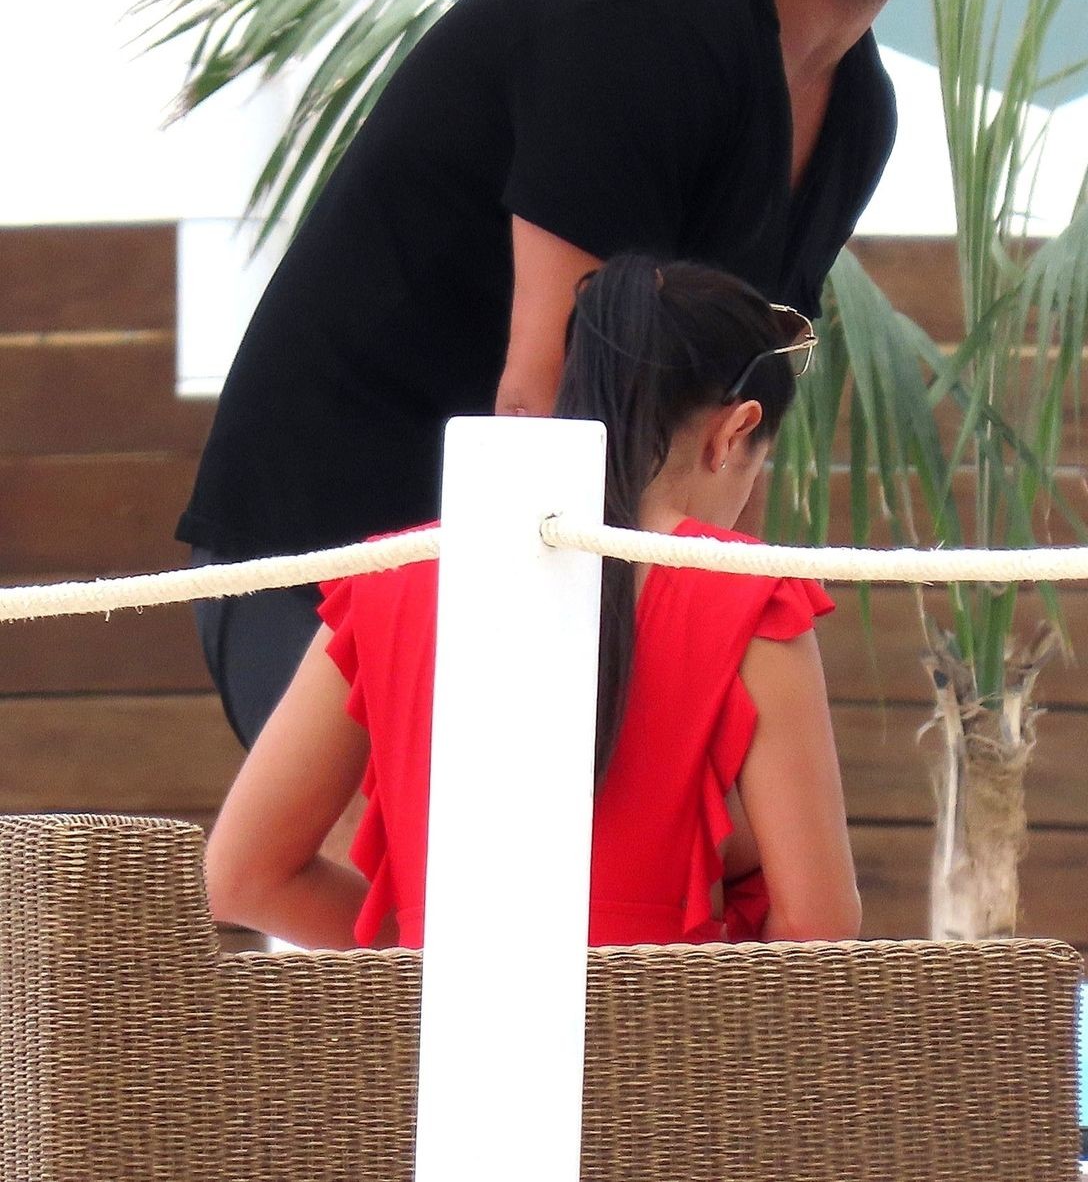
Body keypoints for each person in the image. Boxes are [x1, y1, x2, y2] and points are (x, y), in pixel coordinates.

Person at [179, 0, 1054, 746]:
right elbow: (544, 401)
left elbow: (736, 418)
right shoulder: (642, 15)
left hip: (529, 559)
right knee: (418, 871)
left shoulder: (856, 107)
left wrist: (722, 664)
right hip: (329, 550)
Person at [204, 255, 862, 948]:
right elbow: (816, 925)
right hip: (666, 1017)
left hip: (446, 1015)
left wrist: (446, 959)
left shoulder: (387, 577)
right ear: (734, 433)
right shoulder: (752, 593)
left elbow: (242, 876)